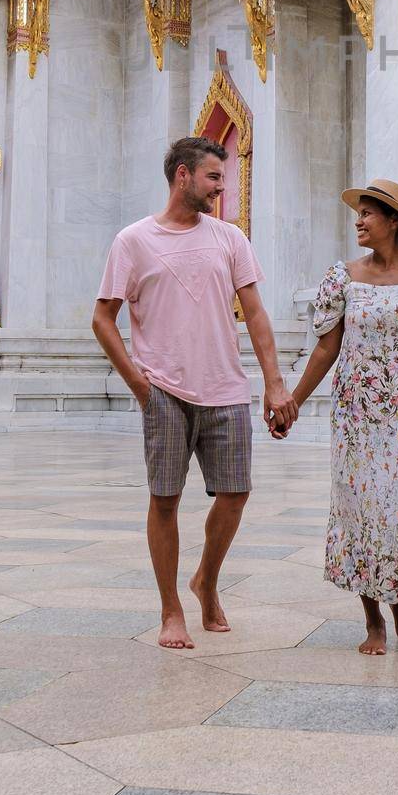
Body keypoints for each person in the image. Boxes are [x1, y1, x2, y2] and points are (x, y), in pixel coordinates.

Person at [92, 136, 297, 650]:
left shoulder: (229, 238)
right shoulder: (133, 241)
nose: (219, 189)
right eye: (213, 178)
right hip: (164, 389)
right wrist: (138, 382)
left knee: (235, 493)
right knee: (165, 499)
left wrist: (274, 382)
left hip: (226, 387)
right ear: (182, 175)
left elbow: (254, 313)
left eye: (222, 179)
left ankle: (206, 579)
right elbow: (102, 318)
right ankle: (171, 610)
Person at [284, 178, 398, 657]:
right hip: (357, 415)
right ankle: (373, 618)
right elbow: (326, 347)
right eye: (358, 213)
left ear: (394, 222)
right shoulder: (343, 278)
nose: (358, 221)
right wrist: (294, 400)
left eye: (368, 213)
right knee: (361, 511)